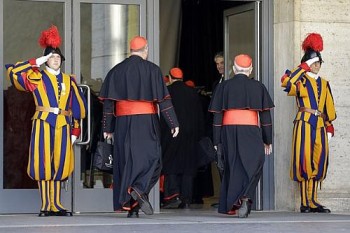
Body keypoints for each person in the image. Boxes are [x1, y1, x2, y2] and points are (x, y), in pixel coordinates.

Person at [5, 25, 87, 217]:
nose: (56, 60)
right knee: (43, 163)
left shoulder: (69, 80)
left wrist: (75, 131)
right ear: (46, 60)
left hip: (63, 125)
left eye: (58, 57)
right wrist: (37, 61)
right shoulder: (36, 77)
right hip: (43, 123)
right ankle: (45, 205)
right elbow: (15, 72)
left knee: (60, 164)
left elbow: (76, 108)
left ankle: (56, 204)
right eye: (51, 57)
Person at [99, 36, 179, 218]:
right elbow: (164, 100)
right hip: (146, 121)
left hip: (123, 123)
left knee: (126, 162)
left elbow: (109, 104)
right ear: (146, 49)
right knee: (155, 160)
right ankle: (138, 189)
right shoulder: (153, 70)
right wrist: (173, 123)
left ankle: (132, 205)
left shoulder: (116, 71)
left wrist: (107, 127)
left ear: (130, 50)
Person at [209, 54, 274, 218]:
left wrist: (217, 141)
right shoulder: (258, 87)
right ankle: (245, 196)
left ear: (233, 69)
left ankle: (235, 201)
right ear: (251, 69)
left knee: (233, 165)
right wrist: (268, 140)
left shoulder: (223, 86)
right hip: (251, 130)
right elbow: (266, 119)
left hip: (228, 131)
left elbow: (217, 117)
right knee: (256, 164)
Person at [281, 33, 336, 213]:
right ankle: (305, 202)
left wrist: (329, 128)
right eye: (314, 63)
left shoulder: (325, 83)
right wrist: (303, 67)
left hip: (320, 125)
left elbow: (328, 110)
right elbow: (287, 82)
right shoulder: (301, 78)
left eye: (319, 63)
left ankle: (313, 201)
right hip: (304, 123)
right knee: (304, 162)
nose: (317, 66)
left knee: (318, 162)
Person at [160, 68, 204, 209]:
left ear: (171, 78)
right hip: (190, 135)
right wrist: (199, 135)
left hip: (171, 133)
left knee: (170, 163)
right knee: (188, 167)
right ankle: (186, 199)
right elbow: (199, 116)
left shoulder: (168, 92)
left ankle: (172, 195)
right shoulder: (192, 93)